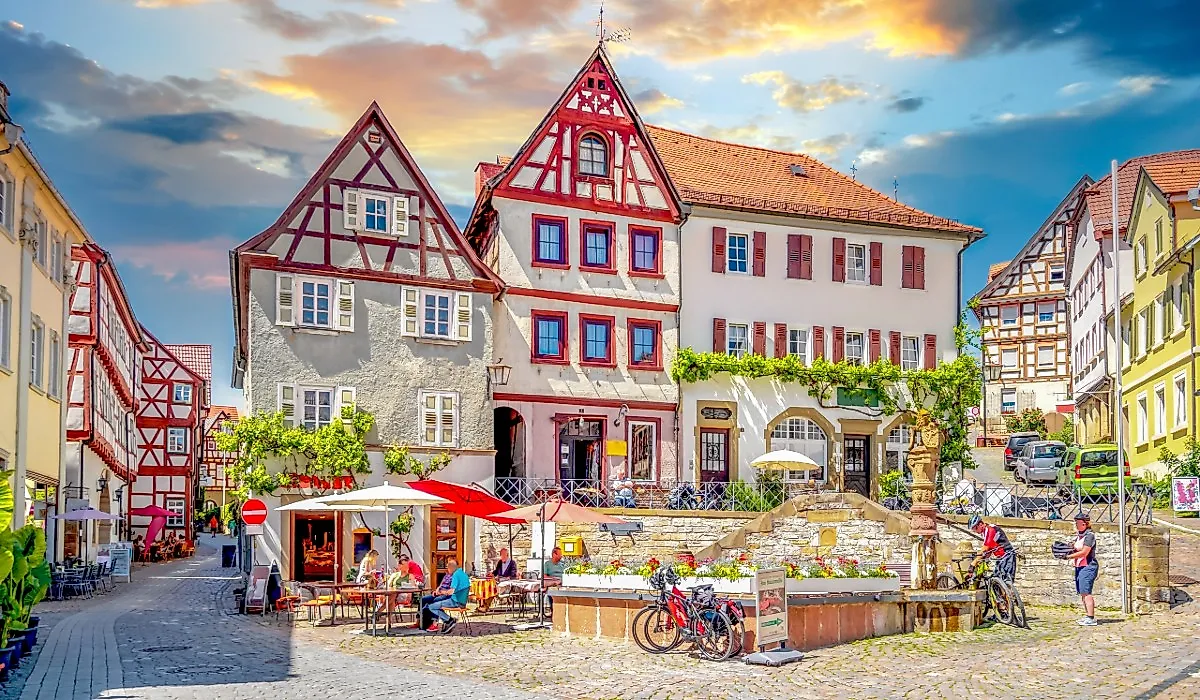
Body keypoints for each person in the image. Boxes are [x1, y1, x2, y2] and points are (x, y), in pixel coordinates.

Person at [1064, 512, 1099, 626]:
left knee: (1086, 592)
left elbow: (1084, 552)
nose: (1076, 525)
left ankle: (1091, 618)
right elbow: (1075, 547)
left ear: (1085, 524)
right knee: (1082, 592)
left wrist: (1068, 556)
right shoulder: (1080, 535)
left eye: (1078, 523)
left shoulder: (1089, 536)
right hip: (1079, 566)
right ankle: (1087, 615)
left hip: (1088, 566)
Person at [420, 557, 470, 633]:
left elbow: (451, 591)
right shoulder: (463, 574)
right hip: (462, 602)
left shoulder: (455, 575)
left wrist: (442, 592)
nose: (447, 569)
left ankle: (449, 620)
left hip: (455, 601)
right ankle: (448, 621)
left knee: (432, 607)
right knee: (429, 601)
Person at [968, 514, 1016, 584]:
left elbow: (985, 549)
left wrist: (973, 564)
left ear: (980, 524)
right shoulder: (985, 532)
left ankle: (1009, 594)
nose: (974, 531)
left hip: (1007, 555)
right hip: (1001, 557)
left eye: (975, 528)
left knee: (1006, 582)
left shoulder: (990, 530)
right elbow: (989, 549)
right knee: (996, 581)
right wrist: (982, 561)